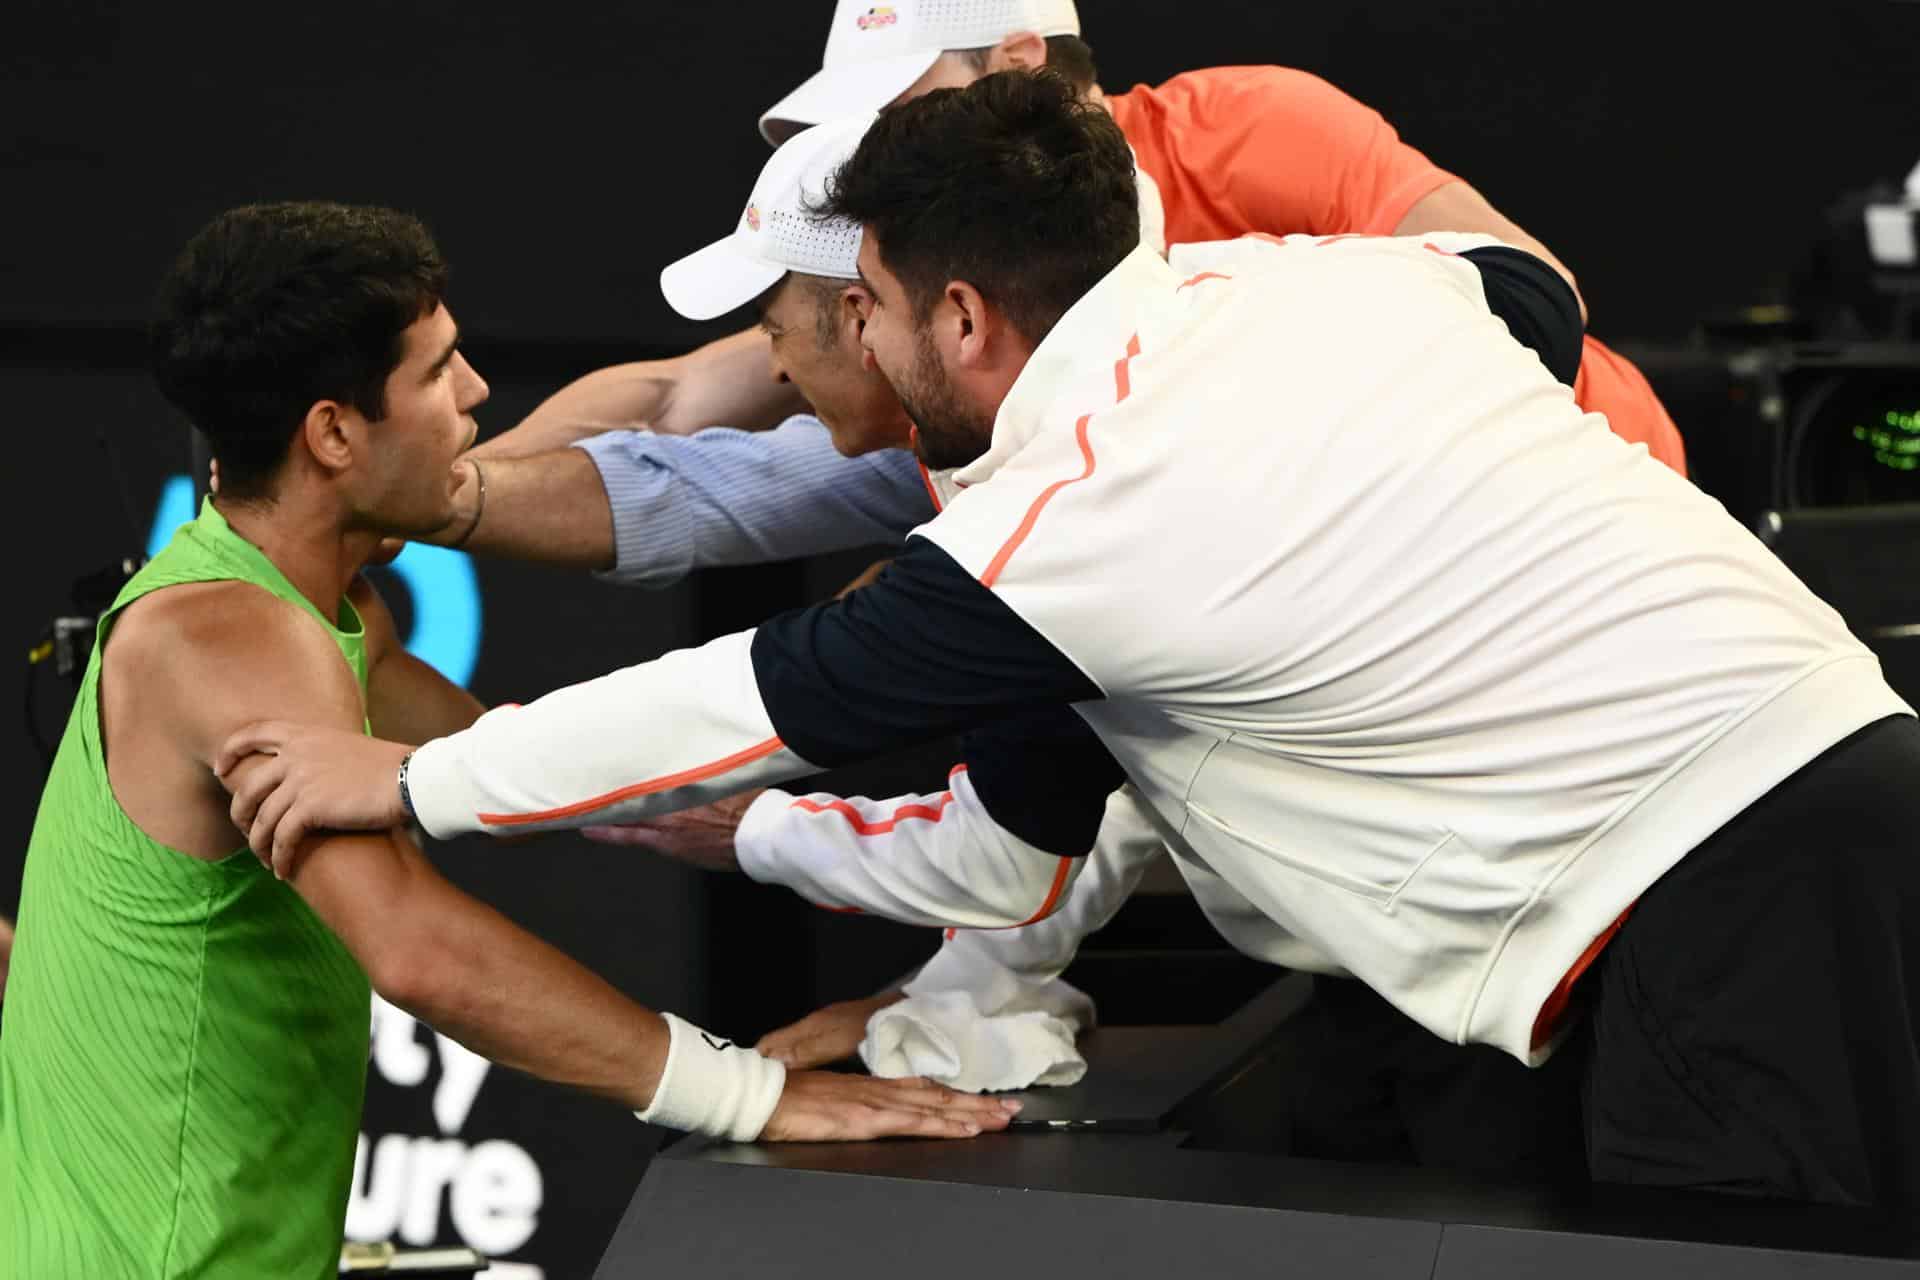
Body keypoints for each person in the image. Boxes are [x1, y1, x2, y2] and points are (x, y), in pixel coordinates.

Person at [219, 74, 1920, 1212]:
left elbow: (751, 697)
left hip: (1736, 898)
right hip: (1847, 775)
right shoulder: (1336, 293)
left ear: (963, 315)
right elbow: (1524, 286)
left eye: (868, 306)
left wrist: (421, 777)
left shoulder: (1075, 519)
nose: (854, 356)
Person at [0, 202, 1013, 1280]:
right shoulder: (228, 638)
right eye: (439, 372)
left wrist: (771, 848)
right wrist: (754, 1094)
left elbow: (506, 766)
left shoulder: (324, 609)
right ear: (335, 433)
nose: (479, 392)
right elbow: (420, 952)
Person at [405, 0, 1684, 595]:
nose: (875, 153)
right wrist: (407, 515)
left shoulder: (1243, 127)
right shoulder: (926, 262)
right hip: (1190, 542)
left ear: (1018, 60)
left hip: (1553, 500)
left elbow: (1532, 306)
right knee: (890, 470)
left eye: (903, 102)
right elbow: (684, 394)